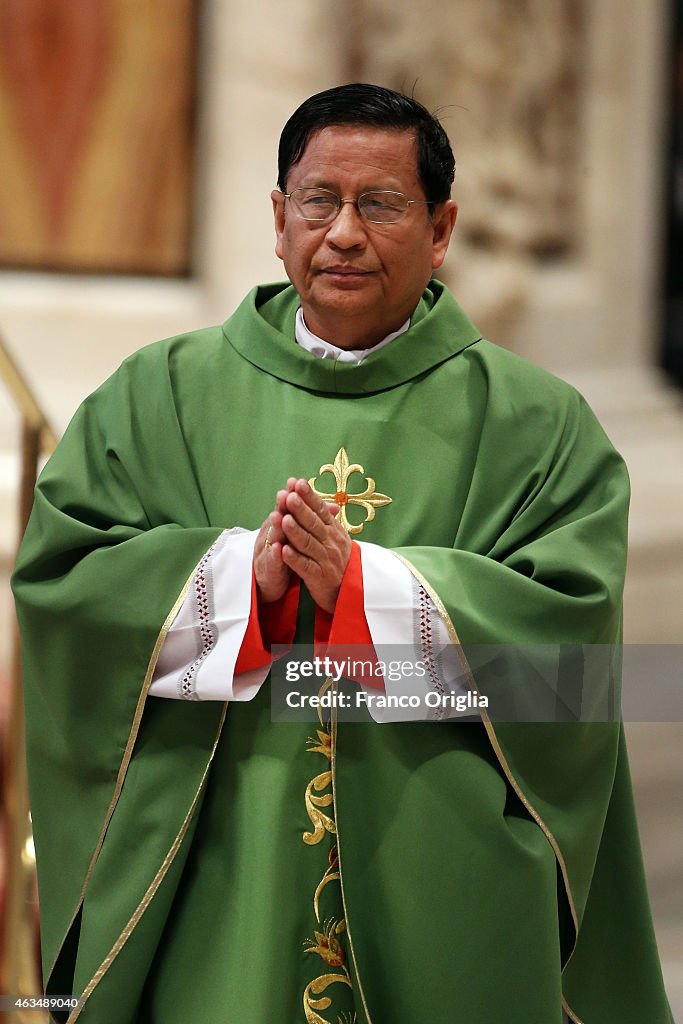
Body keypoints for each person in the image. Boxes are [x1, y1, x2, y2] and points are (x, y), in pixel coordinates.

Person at [12, 84, 673, 1024]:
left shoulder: (538, 426)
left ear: (441, 228)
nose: (344, 233)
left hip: (441, 886)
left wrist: (368, 589)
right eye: (318, 201)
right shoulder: (154, 396)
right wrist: (243, 583)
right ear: (279, 220)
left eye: (382, 204)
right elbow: (63, 585)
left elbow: (572, 661)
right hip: (216, 879)